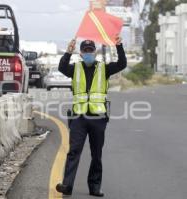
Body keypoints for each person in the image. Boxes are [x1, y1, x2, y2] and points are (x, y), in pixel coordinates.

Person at [56, 37, 127, 197]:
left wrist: (119, 46)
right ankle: (67, 185)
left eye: (90, 50)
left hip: (98, 118)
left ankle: (94, 187)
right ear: (80, 54)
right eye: (85, 51)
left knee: (96, 154)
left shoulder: (104, 68)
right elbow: (61, 67)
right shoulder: (75, 68)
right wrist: (68, 51)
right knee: (74, 151)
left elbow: (122, 64)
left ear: (95, 52)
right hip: (79, 118)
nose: (88, 53)